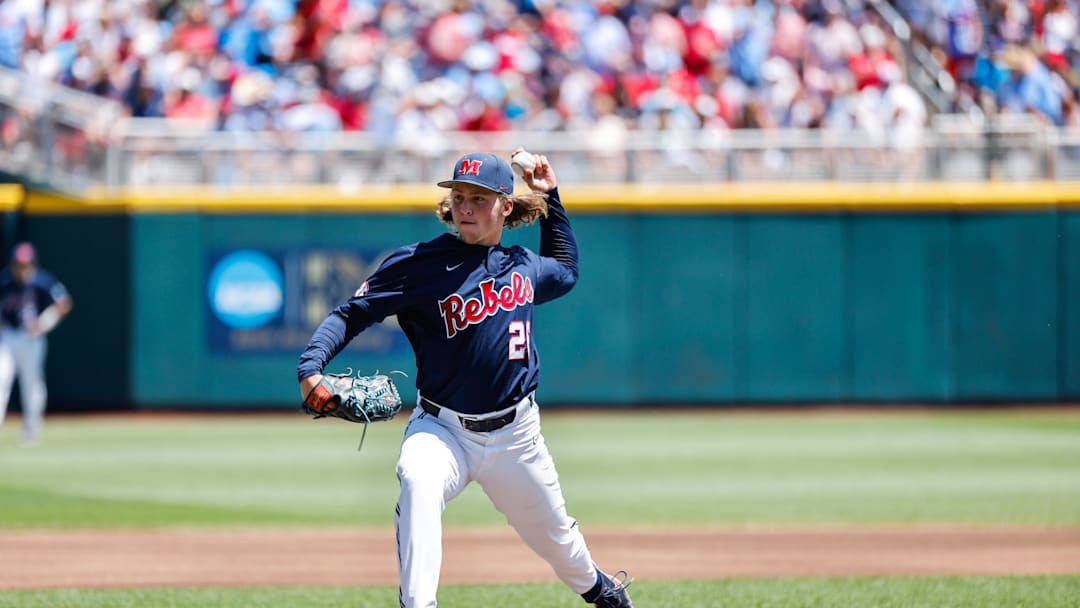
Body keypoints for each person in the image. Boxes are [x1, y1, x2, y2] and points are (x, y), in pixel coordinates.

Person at [297, 150, 633, 607]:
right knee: (418, 480)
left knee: (558, 541)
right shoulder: (418, 263)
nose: (467, 206)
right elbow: (351, 314)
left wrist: (551, 196)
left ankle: (603, 591)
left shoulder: (522, 264)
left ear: (505, 206)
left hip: (517, 437)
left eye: (479, 197)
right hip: (443, 428)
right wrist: (311, 367)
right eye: (459, 196)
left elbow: (567, 271)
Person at [0, 242, 73, 446]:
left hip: (31, 339)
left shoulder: (41, 281)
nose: (22, 269)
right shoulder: (5, 280)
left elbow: (64, 303)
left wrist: (42, 324)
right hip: (8, 336)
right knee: (1, 378)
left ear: (33, 264)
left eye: (26, 264)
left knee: (31, 384)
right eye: (18, 264)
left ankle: (31, 430)